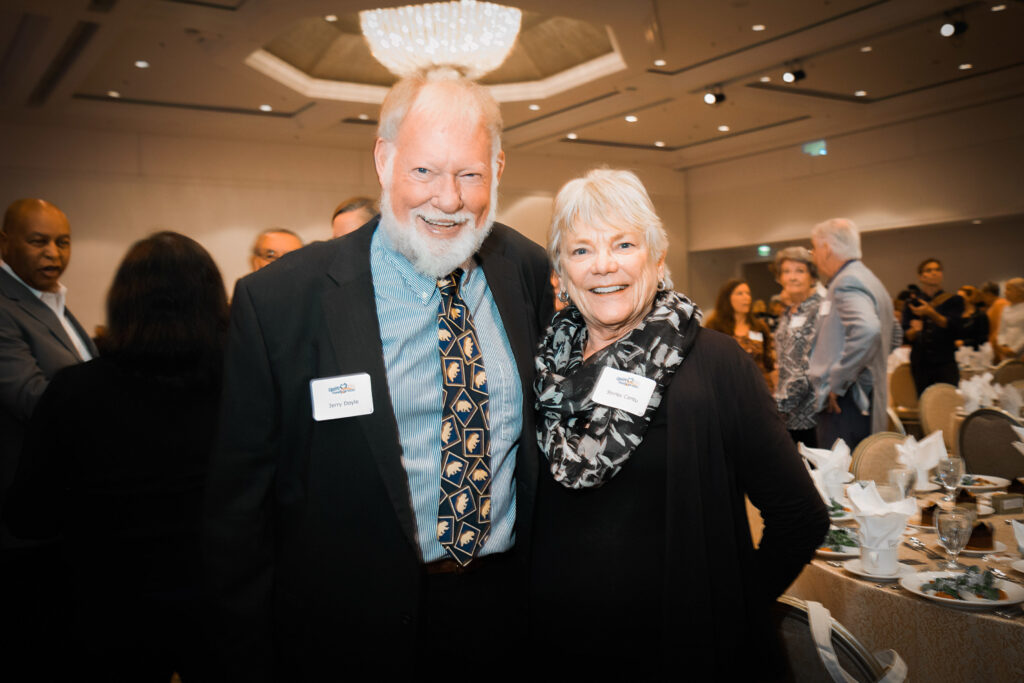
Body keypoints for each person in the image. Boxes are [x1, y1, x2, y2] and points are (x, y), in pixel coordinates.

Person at [204, 67, 553, 680]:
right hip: (347, 625)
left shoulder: (522, 267)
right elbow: (239, 511)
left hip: (502, 612)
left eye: (469, 174)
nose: (448, 200)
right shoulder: (282, 300)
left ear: (496, 171)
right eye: (424, 171)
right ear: (384, 159)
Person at [532, 168, 827, 679]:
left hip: (681, 652)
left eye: (623, 244)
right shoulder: (542, 366)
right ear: (561, 269)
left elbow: (800, 519)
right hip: (559, 646)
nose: (603, 265)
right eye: (581, 250)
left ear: (657, 256)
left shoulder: (716, 364)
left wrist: (730, 613)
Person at [6, 231, 227, 682]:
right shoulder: (242, 387)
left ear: (124, 301)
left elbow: (29, 515)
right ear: (213, 302)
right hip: (218, 606)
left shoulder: (75, 391)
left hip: (106, 612)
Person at [0, 198, 98, 680]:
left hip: (67, 517)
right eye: (37, 241)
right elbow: (32, 400)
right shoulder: (3, 307)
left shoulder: (53, 302)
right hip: (26, 523)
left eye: (62, 241)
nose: (53, 253)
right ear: (5, 243)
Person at [807, 218, 893, 449]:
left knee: (840, 478)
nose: (814, 255)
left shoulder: (847, 281)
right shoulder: (870, 279)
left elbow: (868, 330)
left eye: (814, 248)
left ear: (827, 249)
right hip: (861, 397)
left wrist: (839, 380)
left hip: (845, 402)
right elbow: (894, 334)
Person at [773, 246, 823, 447]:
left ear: (812, 277)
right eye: (786, 271)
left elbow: (809, 366)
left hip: (811, 412)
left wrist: (777, 405)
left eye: (799, 271)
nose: (792, 277)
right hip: (788, 414)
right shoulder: (788, 313)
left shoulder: (819, 309)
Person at [901, 258, 963, 394]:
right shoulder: (912, 302)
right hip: (920, 361)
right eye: (929, 270)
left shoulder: (954, 300)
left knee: (949, 400)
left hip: (945, 360)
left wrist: (930, 313)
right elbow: (906, 335)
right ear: (921, 277)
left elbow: (955, 327)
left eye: (938, 270)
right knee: (924, 402)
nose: (934, 273)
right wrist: (914, 330)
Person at [705, 278, 775, 388]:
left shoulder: (759, 327)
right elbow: (709, 363)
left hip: (760, 387)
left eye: (748, 293)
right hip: (728, 387)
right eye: (740, 293)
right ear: (727, 298)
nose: (746, 297)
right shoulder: (715, 326)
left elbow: (768, 362)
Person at [996, 277, 1024, 361]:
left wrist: (1015, 349)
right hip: (1007, 350)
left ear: (1019, 291)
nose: (1005, 292)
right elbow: (1001, 331)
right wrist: (1003, 345)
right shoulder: (1006, 309)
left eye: (1009, 289)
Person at [981, 280, 1010, 357]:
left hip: (999, 347)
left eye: (983, 295)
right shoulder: (997, 304)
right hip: (996, 346)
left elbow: (999, 328)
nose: (983, 299)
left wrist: (995, 345)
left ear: (988, 294)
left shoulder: (1000, 304)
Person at [956, 285, 989, 351]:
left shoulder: (980, 315)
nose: (957, 299)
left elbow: (983, 338)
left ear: (970, 298)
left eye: (961, 297)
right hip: (957, 352)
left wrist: (965, 342)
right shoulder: (956, 314)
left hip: (973, 353)